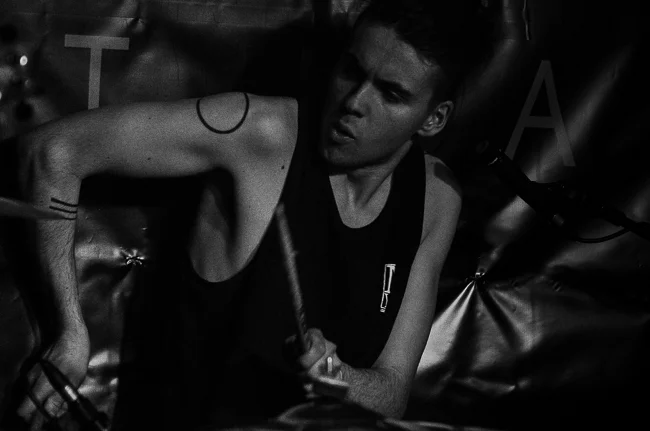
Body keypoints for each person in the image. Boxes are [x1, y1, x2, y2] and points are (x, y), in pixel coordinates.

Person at [14, 0, 485, 429]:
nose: (353, 103)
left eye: (391, 93)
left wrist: (336, 375)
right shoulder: (262, 135)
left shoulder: (436, 197)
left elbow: (392, 394)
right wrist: (68, 334)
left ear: (434, 118)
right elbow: (52, 153)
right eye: (351, 70)